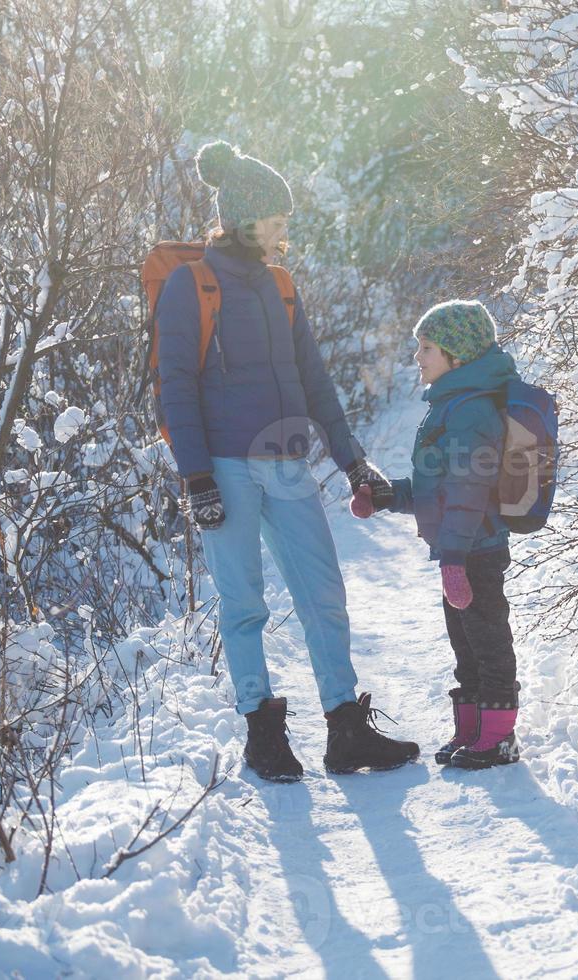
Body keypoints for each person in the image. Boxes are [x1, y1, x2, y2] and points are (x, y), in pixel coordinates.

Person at [156, 140, 418, 781]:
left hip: (288, 463)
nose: (284, 230)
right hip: (225, 468)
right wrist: (195, 476)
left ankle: (345, 730)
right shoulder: (193, 284)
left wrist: (352, 461)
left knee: (324, 594)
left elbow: (315, 377)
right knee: (243, 603)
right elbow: (174, 386)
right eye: (275, 218)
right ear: (244, 216)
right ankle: (264, 736)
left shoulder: (281, 284)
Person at [382, 301, 522, 769]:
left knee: (487, 640)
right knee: (466, 642)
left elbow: (468, 490)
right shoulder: (450, 404)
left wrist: (455, 557)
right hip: (459, 549)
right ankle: (473, 730)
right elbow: (436, 485)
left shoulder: (471, 411)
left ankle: (499, 737)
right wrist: (387, 496)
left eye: (427, 348)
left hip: (474, 548)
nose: (417, 357)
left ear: (457, 355)